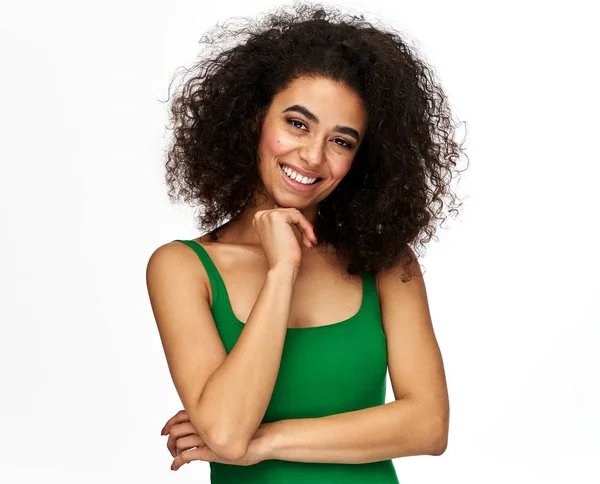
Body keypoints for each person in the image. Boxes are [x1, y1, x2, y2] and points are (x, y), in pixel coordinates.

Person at [146, 3, 466, 482]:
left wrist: (267, 441)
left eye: (342, 141)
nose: (313, 155)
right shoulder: (183, 267)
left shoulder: (385, 264)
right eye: (297, 123)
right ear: (255, 119)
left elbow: (428, 425)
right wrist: (281, 271)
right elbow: (227, 433)